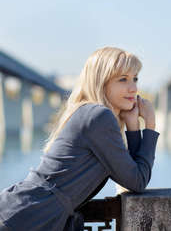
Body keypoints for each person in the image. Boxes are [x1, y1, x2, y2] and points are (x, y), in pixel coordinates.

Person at [0, 47, 159, 231]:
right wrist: (150, 126)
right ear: (101, 82)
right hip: (25, 219)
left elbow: (132, 175)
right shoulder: (99, 116)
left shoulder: (90, 113)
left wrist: (132, 127)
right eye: (123, 79)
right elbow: (137, 181)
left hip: (27, 213)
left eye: (135, 78)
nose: (133, 88)